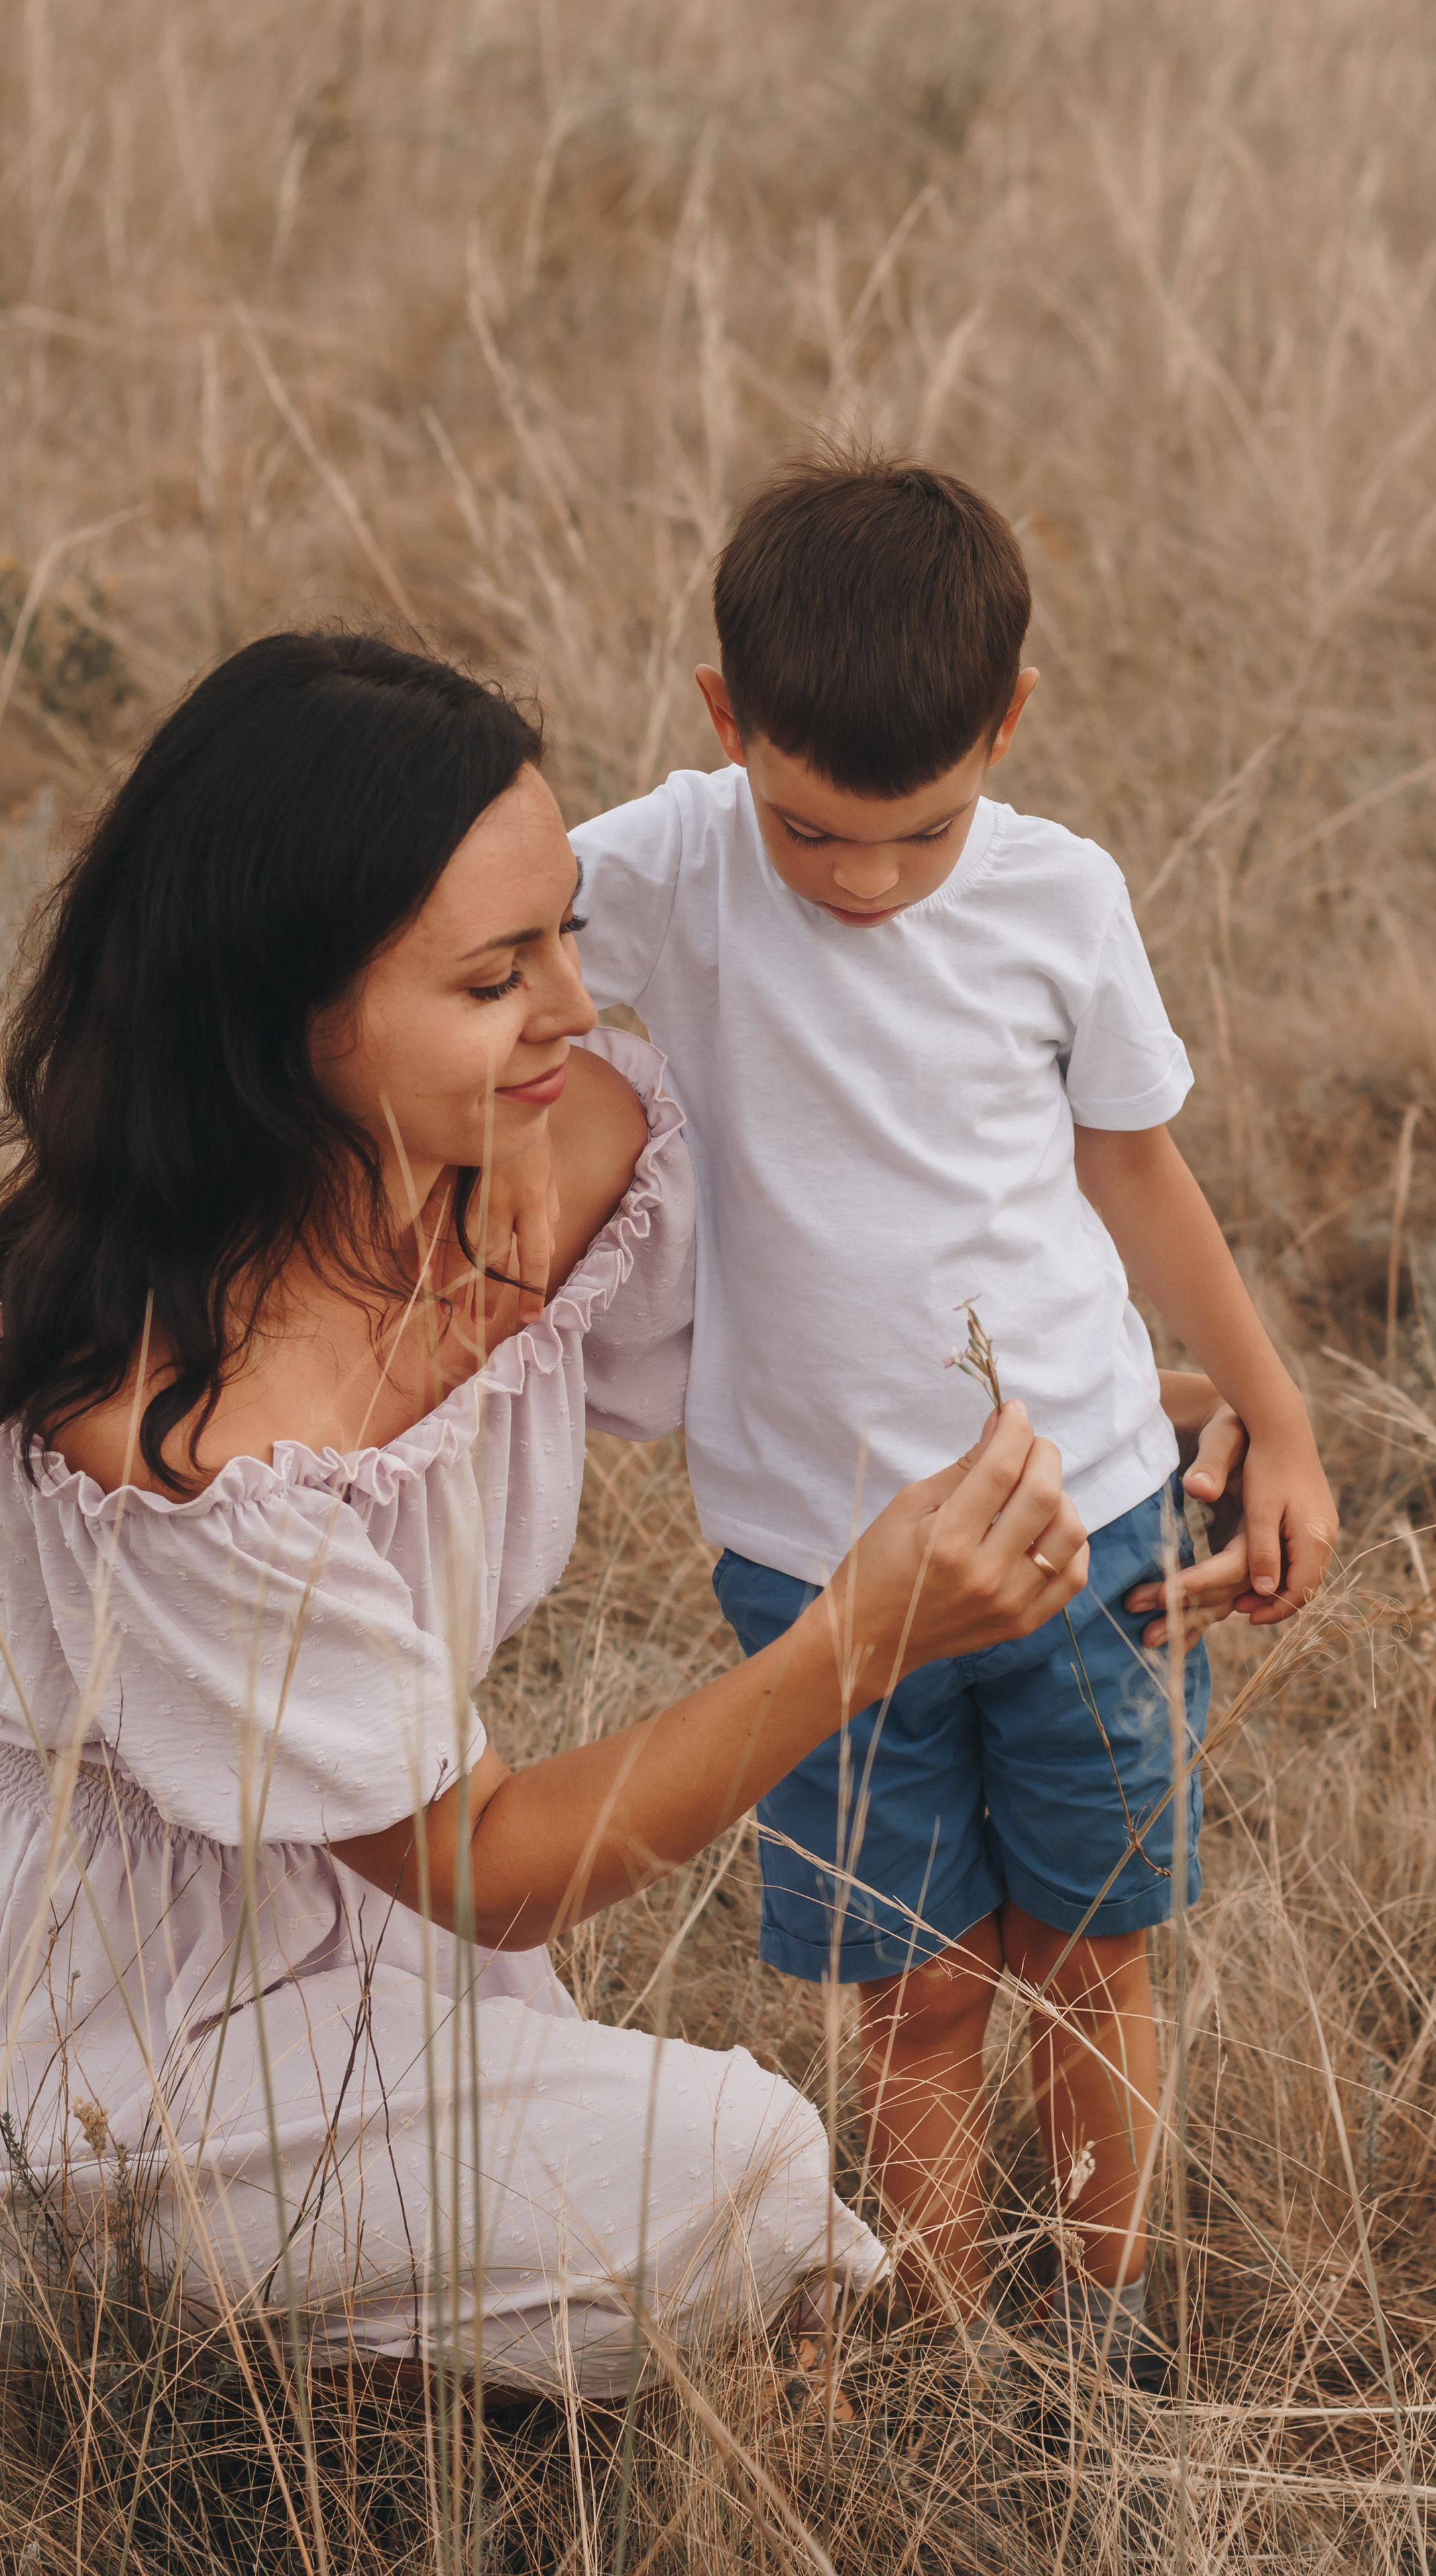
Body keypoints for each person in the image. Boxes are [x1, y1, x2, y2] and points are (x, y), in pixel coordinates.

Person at [0, 629, 1095, 2400]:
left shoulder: (542, 1146)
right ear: (283, 1020)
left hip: (371, 1948)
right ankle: (187, 2346)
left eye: (567, 931)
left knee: (692, 2182)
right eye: (495, 976)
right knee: (735, 2160)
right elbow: (486, 1872)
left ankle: (441, 2327)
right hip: (117, 2042)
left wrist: (1126, 1413)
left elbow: (831, 1271)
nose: (578, 1011)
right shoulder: (184, 1431)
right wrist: (864, 1636)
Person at [563, 450, 1339, 2381]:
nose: (866, 882)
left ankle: (1110, 2324)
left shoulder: (1063, 896)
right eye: (816, 831)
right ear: (730, 725)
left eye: (918, 832)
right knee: (912, 1994)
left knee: (1092, 1962)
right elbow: (465, 932)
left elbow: (1137, 1175)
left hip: (1095, 1534)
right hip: (814, 1571)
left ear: (1009, 728)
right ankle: (955, 2336)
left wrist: (1279, 1422)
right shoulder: (668, 862)